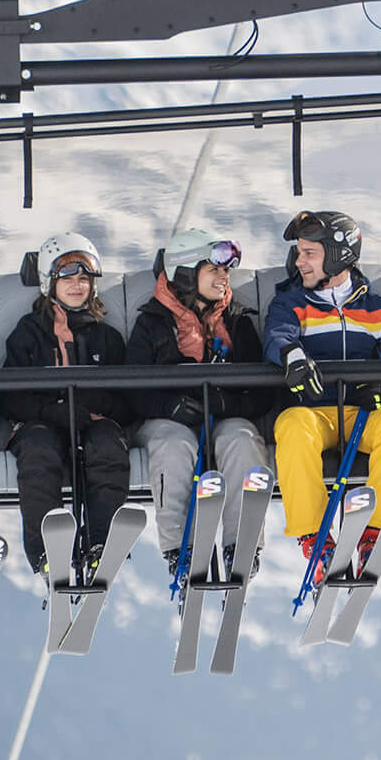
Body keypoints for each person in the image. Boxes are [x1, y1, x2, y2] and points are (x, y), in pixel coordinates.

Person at [261, 209, 381, 585]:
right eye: (299, 253)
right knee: (293, 426)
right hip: (315, 412)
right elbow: (278, 335)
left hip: (363, 414)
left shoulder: (378, 308)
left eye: (309, 253)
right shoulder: (291, 301)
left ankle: (373, 534)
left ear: (338, 255)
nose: (299, 261)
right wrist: (293, 358)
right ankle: (315, 538)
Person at [126, 229, 273, 581]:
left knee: (240, 439)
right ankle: (180, 549)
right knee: (174, 444)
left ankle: (243, 543)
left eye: (226, 272)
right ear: (186, 272)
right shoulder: (153, 322)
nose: (224, 278)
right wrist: (170, 405)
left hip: (223, 417)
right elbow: (131, 387)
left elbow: (263, 389)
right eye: (215, 270)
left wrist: (226, 401)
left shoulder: (236, 322)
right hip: (166, 417)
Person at [0, 231, 132, 580]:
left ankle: (102, 544)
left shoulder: (106, 337)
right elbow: (10, 396)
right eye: (68, 279)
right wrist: (51, 410)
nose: (77, 286)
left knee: (107, 443)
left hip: (92, 424)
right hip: (43, 425)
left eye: (84, 279)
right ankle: (48, 551)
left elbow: (130, 398)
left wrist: (93, 405)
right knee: (38, 450)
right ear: (49, 284)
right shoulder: (29, 334)